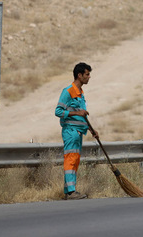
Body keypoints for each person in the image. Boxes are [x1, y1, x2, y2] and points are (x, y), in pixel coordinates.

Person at [55, 62, 98, 200]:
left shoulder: (81, 93)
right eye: (87, 74)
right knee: (70, 160)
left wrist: (91, 130)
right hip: (70, 131)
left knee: (75, 160)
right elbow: (58, 111)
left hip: (79, 132)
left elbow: (82, 115)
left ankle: (69, 191)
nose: (89, 77)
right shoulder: (68, 91)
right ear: (79, 75)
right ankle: (71, 192)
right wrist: (77, 113)